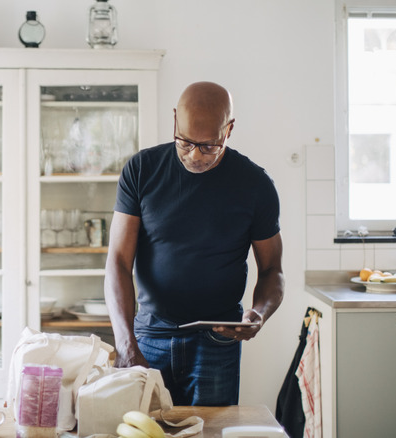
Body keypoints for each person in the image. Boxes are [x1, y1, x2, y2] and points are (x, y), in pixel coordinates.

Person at [104, 81, 284, 406]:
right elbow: (117, 260)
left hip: (218, 338)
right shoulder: (142, 170)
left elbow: (273, 269)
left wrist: (260, 312)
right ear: (174, 120)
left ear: (229, 130)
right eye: (185, 142)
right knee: (145, 427)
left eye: (209, 146)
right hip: (149, 334)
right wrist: (125, 343)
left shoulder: (255, 185)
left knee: (212, 431)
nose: (195, 155)